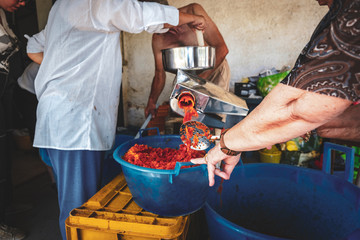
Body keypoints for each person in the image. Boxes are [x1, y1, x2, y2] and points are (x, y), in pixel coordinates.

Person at [26, 0, 206, 239]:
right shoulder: (90, 2)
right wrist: (189, 18)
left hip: (58, 119)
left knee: (72, 200)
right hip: (75, 124)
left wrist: (66, 69)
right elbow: (139, 15)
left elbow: (32, 47)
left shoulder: (61, 7)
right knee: (79, 211)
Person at [191, 0, 360, 187]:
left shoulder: (353, 10)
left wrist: (228, 144)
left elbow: (303, 108)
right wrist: (270, 131)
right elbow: (326, 118)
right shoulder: (338, 11)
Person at [145, 3, 230, 120]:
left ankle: (216, 137)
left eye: (164, 24)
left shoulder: (194, 11)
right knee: (181, 116)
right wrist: (151, 101)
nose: (162, 30)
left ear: (169, 13)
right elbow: (159, 74)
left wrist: (196, 84)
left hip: (215, 69)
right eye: (157, 26)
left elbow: (222, 49)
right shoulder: (158, 37)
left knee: (214, 118)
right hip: (186, 76)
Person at [0, 0, 28, 239]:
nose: (22, 2)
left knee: (4, 151)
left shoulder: (2, 13)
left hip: (4, 92)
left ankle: (5, 208)